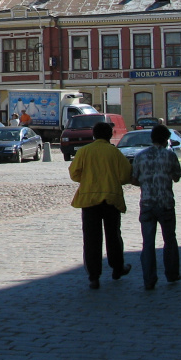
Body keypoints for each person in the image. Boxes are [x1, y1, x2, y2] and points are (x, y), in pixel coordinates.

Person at [69, 121, 132, 289]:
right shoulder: (114, 152)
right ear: (110, 135)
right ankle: (117, 268)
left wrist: (88, 179)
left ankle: (94, 276)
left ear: (94, 135)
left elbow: (74, 174)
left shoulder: (84, 151)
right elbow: (125, 175)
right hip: (111, 199)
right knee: (113, 236)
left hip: (89, 200)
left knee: (91, 239)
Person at [130, 124, 181, 290]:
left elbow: (134, 179)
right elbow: (176, 176)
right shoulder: (170, 155)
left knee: (148, 243)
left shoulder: (140, 156)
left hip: (147, 203)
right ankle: (172, 273)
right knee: (169, 240)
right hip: (165, 203)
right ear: (166, 140)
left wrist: (146, 183)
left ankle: (149, 279)